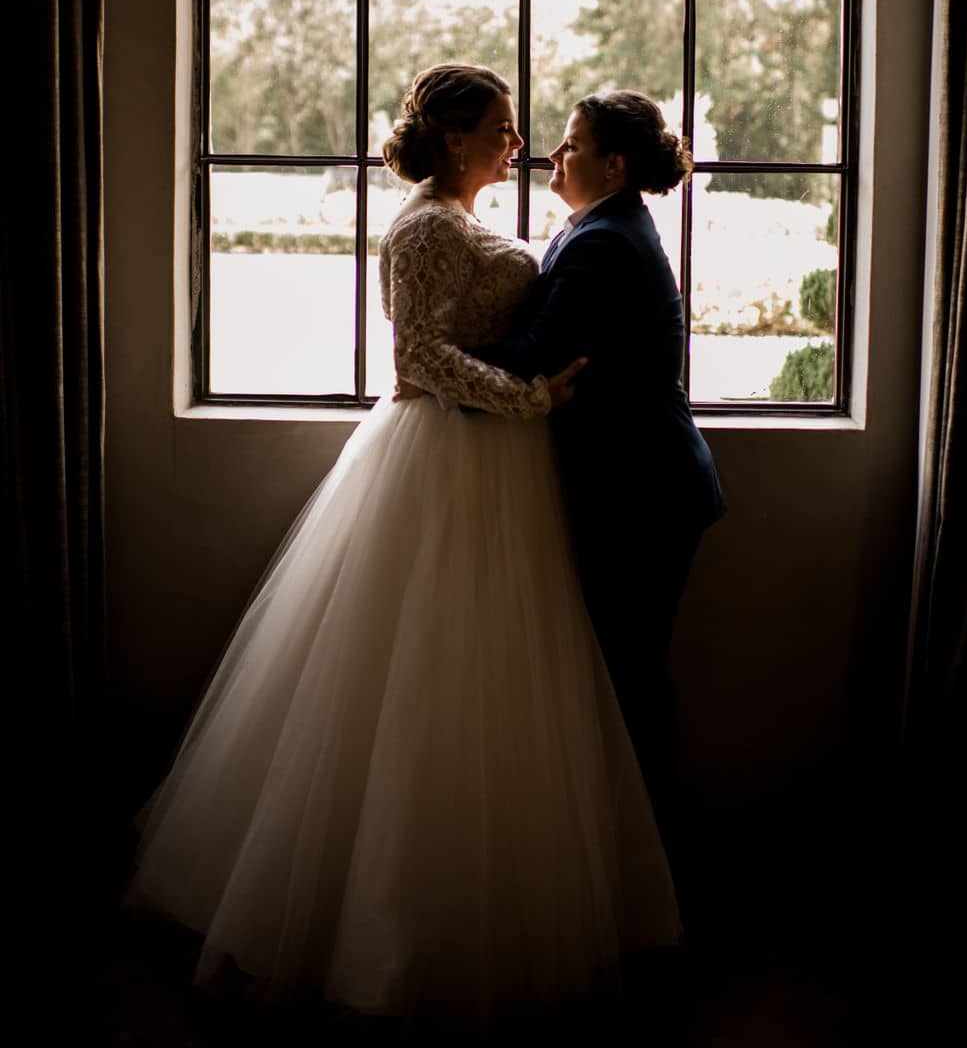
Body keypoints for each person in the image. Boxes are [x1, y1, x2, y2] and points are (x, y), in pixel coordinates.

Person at [125, 64, 681, 1031]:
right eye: (504, 127)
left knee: (500, 678)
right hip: (447, 457)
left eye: (523, 128)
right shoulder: (425, 225)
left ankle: (489, 897)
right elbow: (418, 355)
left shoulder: (466, 219)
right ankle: (389, 923)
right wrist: (529, 399)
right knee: (419, 673)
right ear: (459, 137)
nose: (521, 141)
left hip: (500, 468)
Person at [469, 91, 727, 898]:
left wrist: (442, 356)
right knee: (621, 677)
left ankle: (648, 879)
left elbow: (543, 351)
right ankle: (632, 870)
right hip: (638, 486)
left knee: (628, 682)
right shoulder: (597, 230)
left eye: (572, 145)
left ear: (613, 166)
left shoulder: (604, 245)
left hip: (641, 494)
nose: (553, 154)